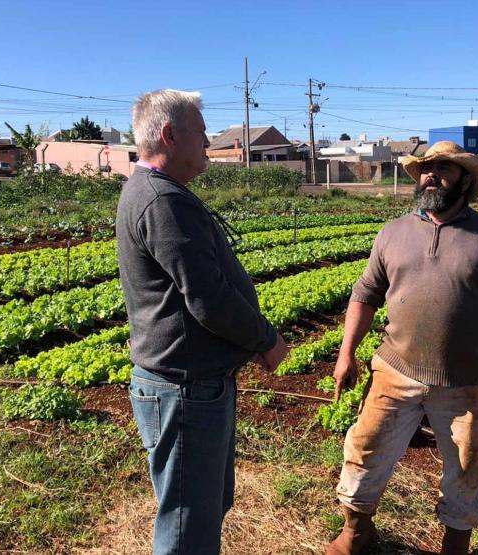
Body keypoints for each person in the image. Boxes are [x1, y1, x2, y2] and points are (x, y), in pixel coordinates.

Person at [324, 141, 478, 555]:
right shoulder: (394, 233)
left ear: (464, 180)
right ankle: (356, 531)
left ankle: (455, 545)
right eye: (426, 168)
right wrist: (345, 353)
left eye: (443, 168)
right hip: (394, 367)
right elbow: (365, 294)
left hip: (466, 381)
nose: (431, 175)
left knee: (465, 466)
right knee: (365, 447)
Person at [116, 89, 289, 555]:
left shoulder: (158, 193)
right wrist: (266, 340)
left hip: (189, 385)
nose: (210, 141)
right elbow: (208, 300)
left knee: (200, 508)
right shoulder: (162, 201)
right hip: (184, 388)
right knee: (186, 526)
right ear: (170, 136)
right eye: (201, 132)